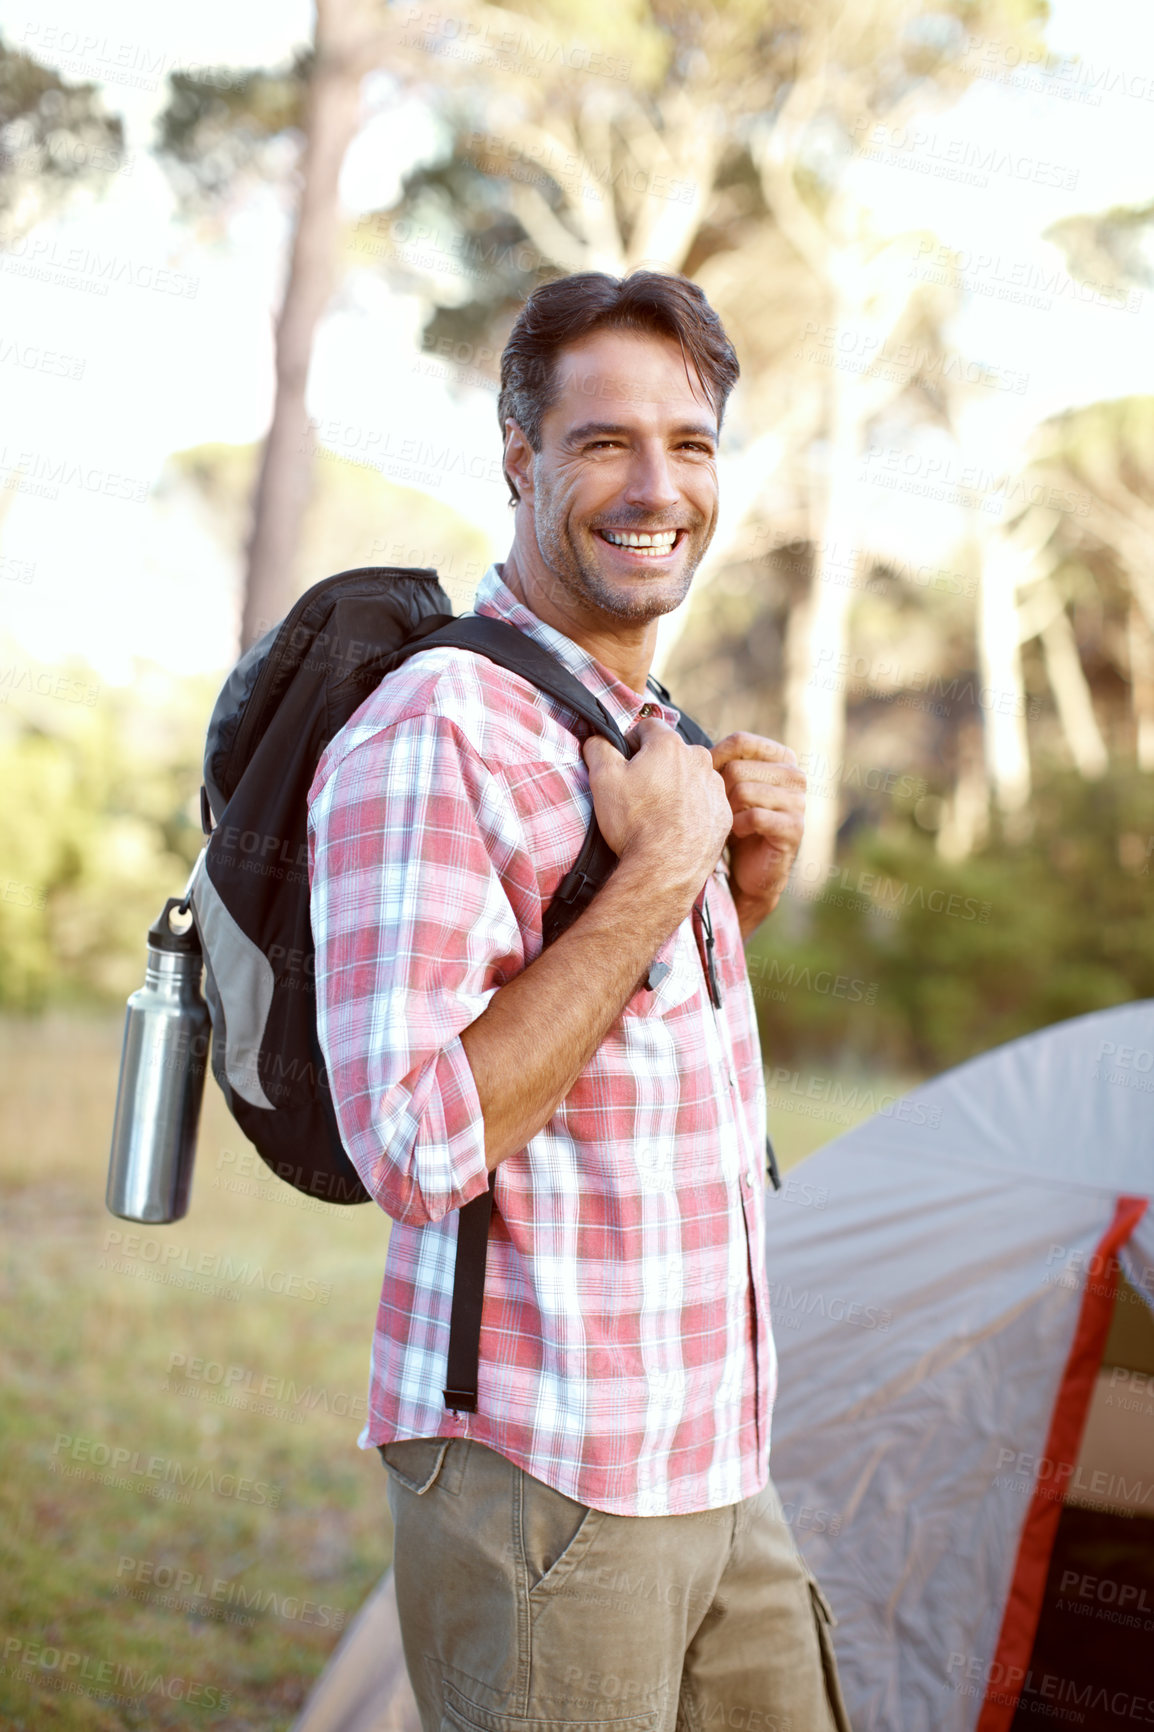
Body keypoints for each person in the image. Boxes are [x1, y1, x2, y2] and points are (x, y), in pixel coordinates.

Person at [308, 271, 851, 1732]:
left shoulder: (641, 727)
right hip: (543, 1479)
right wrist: (661, 868)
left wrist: (726, 892)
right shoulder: (431, 734)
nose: (653, 485)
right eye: (604, 441)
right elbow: (415, 1147)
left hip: (714, 1454)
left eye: (690, 442)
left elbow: (622, 1067)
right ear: (519, 459)